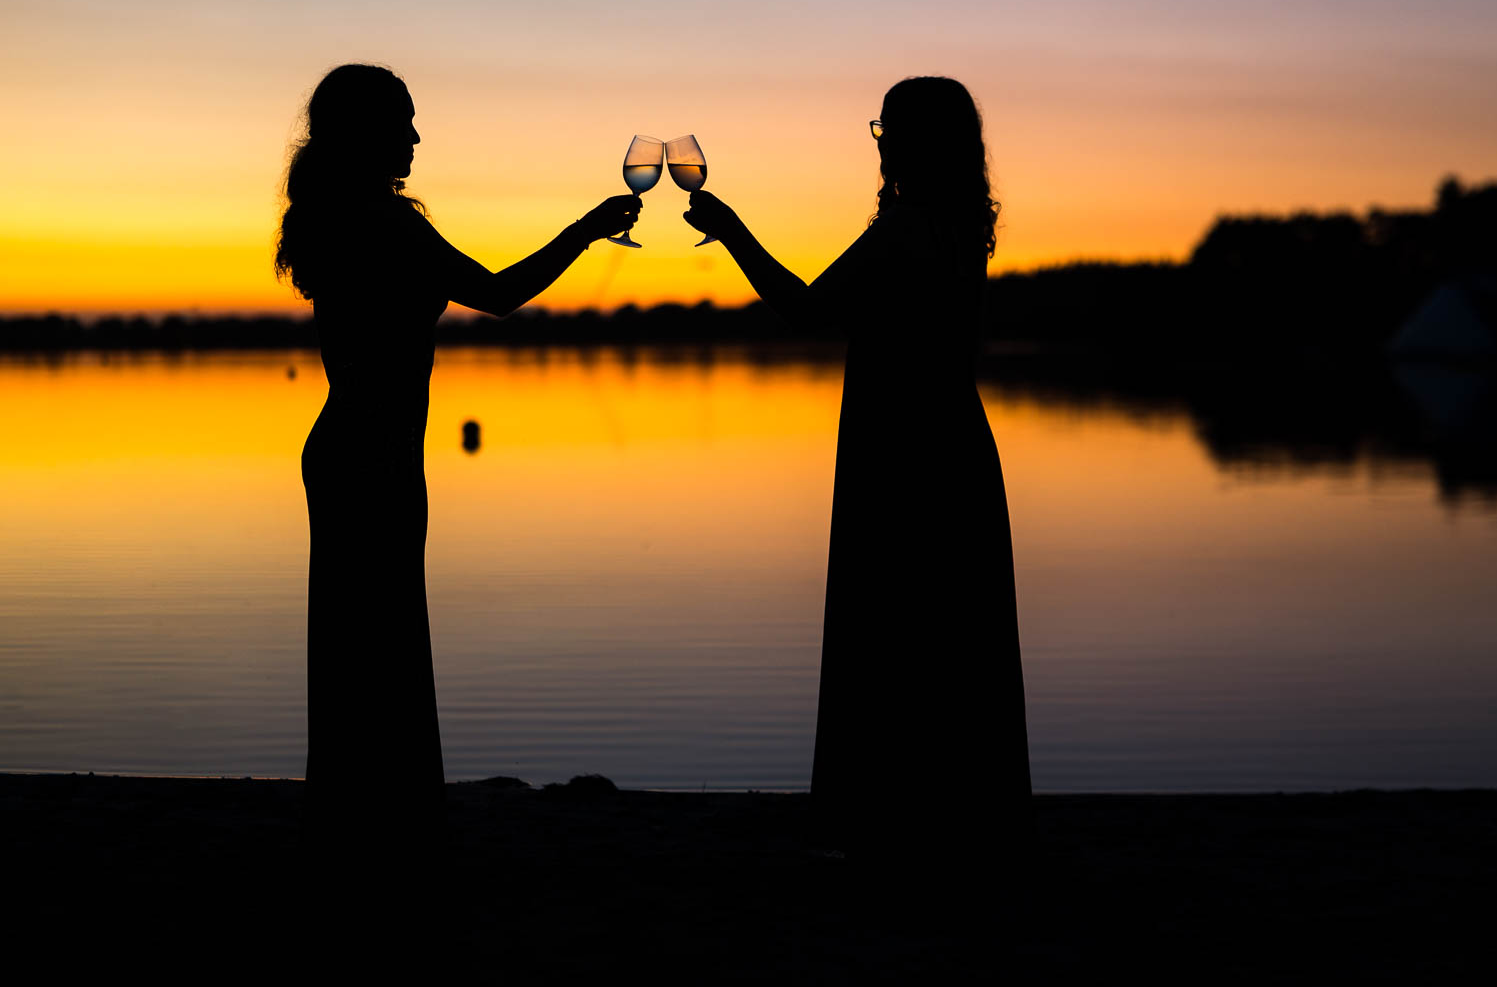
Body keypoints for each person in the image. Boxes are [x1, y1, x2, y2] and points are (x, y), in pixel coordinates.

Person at [273, 63, 639, 863]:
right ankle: (385, 833)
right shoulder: (387, 222)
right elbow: (499, 293)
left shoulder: (341, 214)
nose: (414, 136)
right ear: (366, 132)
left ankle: (352, 825)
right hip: (374, 455)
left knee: (356, 645)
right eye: (401, 122)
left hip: (348, 447)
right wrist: (586, 228)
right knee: (382, 639)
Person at [683, 76, 1031, 860]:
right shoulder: (962, 224)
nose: (878, 143)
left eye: (887, 130)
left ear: (910, 141)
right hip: (957, 444)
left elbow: (806, 309)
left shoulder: (906, 226)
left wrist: (734, 230)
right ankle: (965, 823)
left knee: (891, 633)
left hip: (899, 450)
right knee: (953, 642)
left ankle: (887, 828)